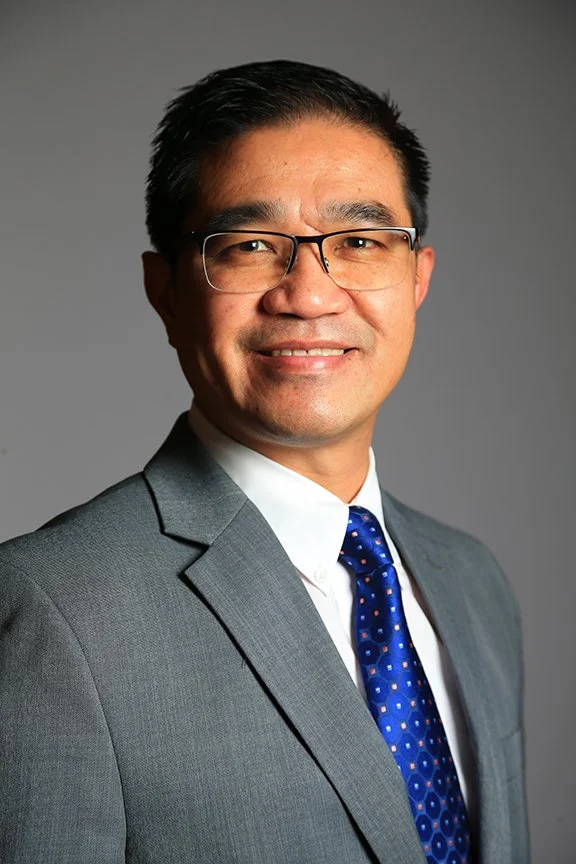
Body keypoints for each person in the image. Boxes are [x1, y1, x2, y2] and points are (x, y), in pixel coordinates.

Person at [0, 60, 528, 864]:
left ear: (416, 276)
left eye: (358, 241)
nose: (309, 295)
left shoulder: (471, 580)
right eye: (250, 245)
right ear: (166, 291)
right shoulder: (53, 609)